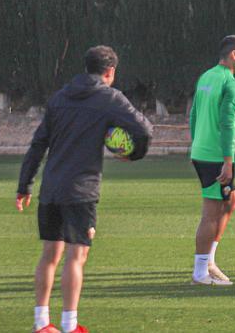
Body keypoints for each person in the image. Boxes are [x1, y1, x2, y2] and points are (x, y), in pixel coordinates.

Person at [17, 46, 153, 333]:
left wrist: (24, 184)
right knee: (76, 256)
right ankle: (69, 325)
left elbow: (38, 143)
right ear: (110, 71)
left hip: (51, 187)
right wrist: (133, 154)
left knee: (49, 254)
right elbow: (144, 130)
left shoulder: (60, 97)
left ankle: (41, 324)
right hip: (81, 191)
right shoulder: (109, 98)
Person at [189, 35, 235, 287]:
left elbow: (193, 115)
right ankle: (201, 272)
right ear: (234, 54)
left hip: (201, 152)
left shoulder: (206, 76)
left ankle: (209, 261)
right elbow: (228, 124)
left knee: (231, 200)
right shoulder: (231, 84)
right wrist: (228, 161)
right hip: (216, 156)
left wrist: (196, 143)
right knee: (211, 213)